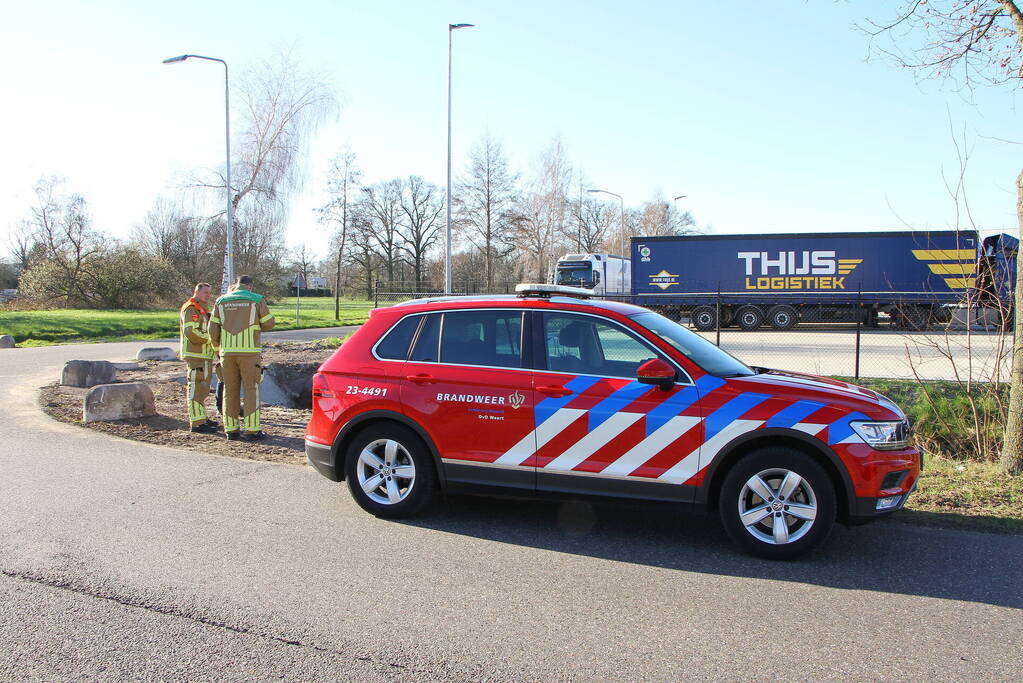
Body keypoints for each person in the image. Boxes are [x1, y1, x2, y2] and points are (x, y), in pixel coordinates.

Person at [209, 274, 276, 441]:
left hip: (227, 353)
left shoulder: (221, 301)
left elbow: (212, 329)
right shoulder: (256, 299)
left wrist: (218, 349)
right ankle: (252, 430)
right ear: (250, 286)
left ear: (236, 285)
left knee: (229, 391)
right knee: (250, 390)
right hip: (249, 353)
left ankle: (231, 430)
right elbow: (269, 323)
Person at [179, 282, 218, 433]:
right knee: (196, 388)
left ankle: (202, 418)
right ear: (197, 292)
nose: (208, 295)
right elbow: (191, 332)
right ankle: (197, 423)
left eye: (209, 293)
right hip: (196, 355)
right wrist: (210, 339)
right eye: (205, 292)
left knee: (203, 388)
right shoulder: (191, 308)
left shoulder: (202, 309)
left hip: (204, 355)